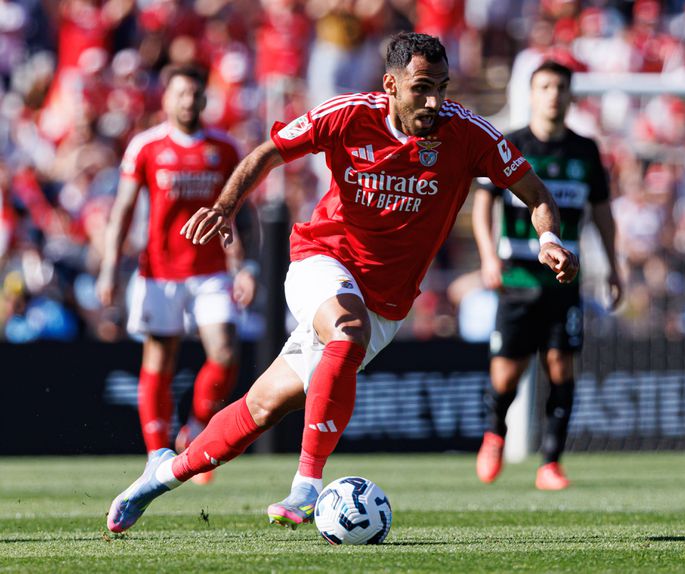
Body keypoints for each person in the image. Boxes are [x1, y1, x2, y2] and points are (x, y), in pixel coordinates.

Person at [106, 32, 577, 534]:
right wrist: (225, 207)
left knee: (263, 406)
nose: (435, 101)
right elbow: (269, 152)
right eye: (421, 87)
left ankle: (160, 476)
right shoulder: (349, 114)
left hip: (388, 302)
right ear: (390, 85)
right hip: (322, 260)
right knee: (346, 330)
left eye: (442, 86)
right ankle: (307, 487)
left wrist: (548, 237)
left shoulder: (468, 134)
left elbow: (536, 193)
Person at [97, 66, 257, 485]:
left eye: (195, 93)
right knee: (159, 359)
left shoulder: (223, 147)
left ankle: (195, 429)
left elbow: (247, 212)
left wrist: (248, 266)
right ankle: (156, 454)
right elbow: (123, 211)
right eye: (181, 93)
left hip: (211, 271)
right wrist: (110, 268)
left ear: (205, 99)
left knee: (225, 353)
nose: (188, 101)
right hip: (160, 272)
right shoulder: (146, 147)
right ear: (166, 99)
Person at [473, 60, 622, 491]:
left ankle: (551, 463)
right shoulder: (510, 143)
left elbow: (603, 214)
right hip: (517, 277)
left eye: (560, 87)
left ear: (571, 95)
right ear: (532, 93)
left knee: (561, 366)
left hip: (564, 279)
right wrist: (487, 256)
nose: (553, 94)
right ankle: (495, 433)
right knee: (506, 374)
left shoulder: (585, 151)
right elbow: (485, 202)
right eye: (545, 86)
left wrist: (614, 266)